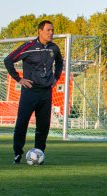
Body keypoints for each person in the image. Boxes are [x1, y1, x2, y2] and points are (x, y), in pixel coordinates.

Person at [4, 20, 64, 164]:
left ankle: (39, 153)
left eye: (52, 30)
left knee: (43, 126)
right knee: (22, 123)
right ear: (40, 31)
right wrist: (19, 79)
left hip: (45, 93)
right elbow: (8, 60)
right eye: (48, 30)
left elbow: (60, 62)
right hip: (30, 92)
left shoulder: (54, 48)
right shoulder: (28, 46)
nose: (51, 33)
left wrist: (55, 78)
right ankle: (17, 154)